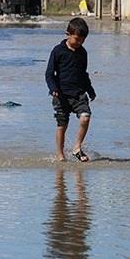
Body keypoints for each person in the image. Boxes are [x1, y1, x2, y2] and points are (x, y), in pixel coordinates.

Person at [45, 17, 96, 162]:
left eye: (82, 40)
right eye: (77, 39)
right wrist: (53, 88)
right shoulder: (58, 51)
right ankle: (60, 154)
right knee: (62, 125)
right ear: (67, 34)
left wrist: (90, 90)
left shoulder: (83, 53)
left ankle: (77, 148)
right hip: (61, 95)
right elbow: (49, 73)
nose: (79, 42)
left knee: (85, 118)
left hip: (79, 93)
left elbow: (83, 74)